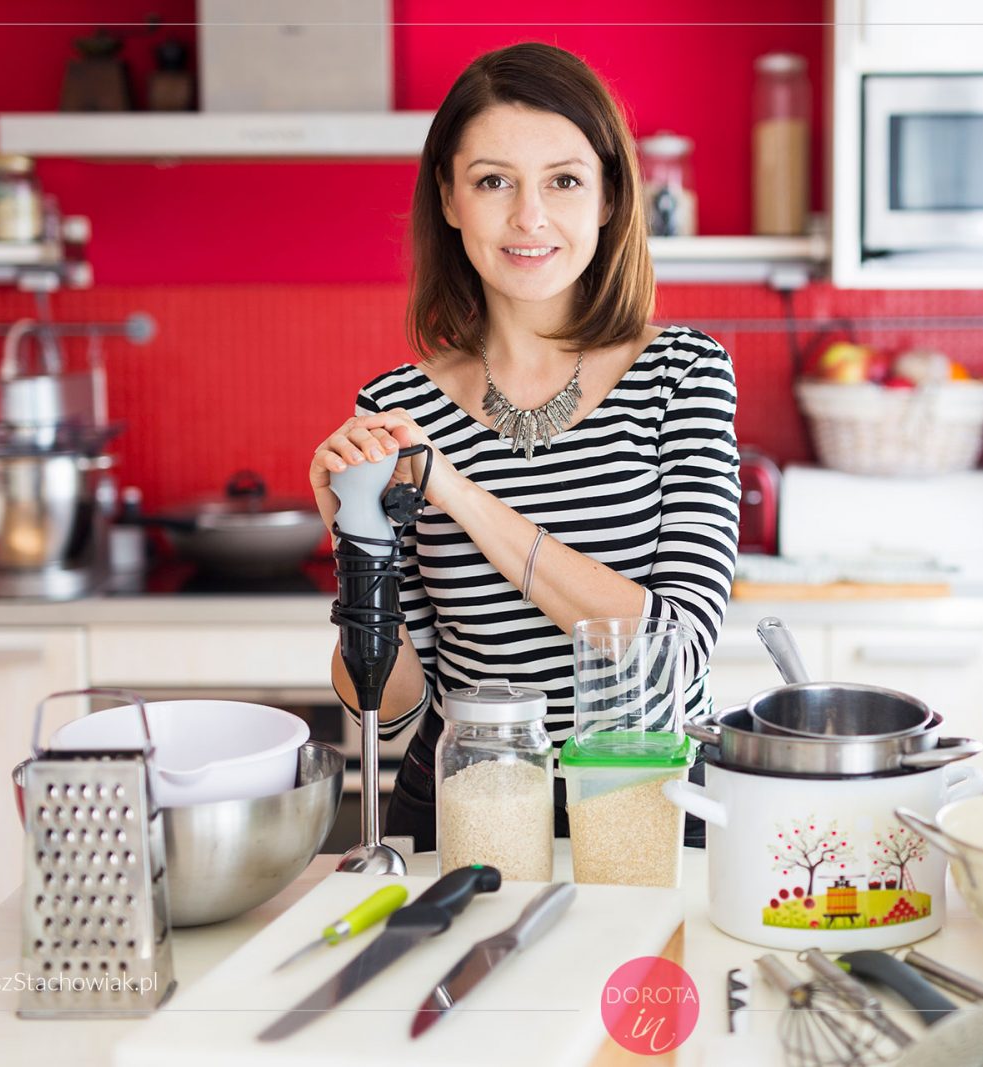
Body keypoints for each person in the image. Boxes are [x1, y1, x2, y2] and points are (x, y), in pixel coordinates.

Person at [309, 42, 740, 851]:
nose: (529, 217)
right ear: (449, 199)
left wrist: (460, 493)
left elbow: (669, 658)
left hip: (648, 805)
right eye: (494, 181)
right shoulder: (396, 406)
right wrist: (352, 534)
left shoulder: (682, 373)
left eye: (564, 181)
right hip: (466, 806)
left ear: (609, 196)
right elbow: (392, 704)